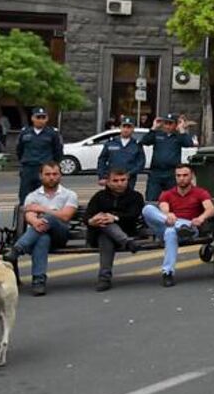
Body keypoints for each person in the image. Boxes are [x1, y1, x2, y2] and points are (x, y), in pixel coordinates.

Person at [142, 163, 214, 287]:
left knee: (171, 232)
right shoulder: (168, 193)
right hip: (168, 223)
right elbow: (163, 207)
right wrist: (168, 215)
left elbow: (211, 209)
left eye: (185, 175)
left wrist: (201, 218)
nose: (182, 178)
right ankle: (179, 225)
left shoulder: (200, 192)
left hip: (190, 227)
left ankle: (167, 272)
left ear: (191, 176)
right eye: (178, 176)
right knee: (147, 209)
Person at [11, 161, 78, 296]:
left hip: (60, 235)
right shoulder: (33, 196)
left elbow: (65, 216)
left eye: (55, 174)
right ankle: (38, 281)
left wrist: (42, 209)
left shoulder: (69, 194)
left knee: (51, 218)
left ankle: (18, 248)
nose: (52, 177)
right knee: (42, 238)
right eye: (47, 174)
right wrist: (35, 222)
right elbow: (29, 215)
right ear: (41, 176)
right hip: (39, 234)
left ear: (60, 176)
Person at [83, 168, 147, 292]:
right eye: (115, 180)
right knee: (104, 225)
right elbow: (87, 216)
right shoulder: (99, 196)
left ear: (127, 180)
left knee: (106, 233)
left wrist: (114, 218)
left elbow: (133, 215)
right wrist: (92, 220)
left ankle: (104, 278)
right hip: (97, 234)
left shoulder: (135, 196)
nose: (119, 183)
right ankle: (127, 243)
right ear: (108, 182)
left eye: (123, 180)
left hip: (126, 230)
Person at [13, 107, 65, 205]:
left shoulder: (52, 133)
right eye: (38, 117)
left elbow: (58, 151)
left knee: (46, 194)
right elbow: (19, 150)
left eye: (43, 117)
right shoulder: (25, 132)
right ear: (32, 118)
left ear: (47, 119)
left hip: (45, 168)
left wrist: (52, 166)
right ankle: (25, 218)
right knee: (25, 195)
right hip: (28, 168)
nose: (41, 120)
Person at [141, 113, 193, 201]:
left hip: (171, 173)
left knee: (173, 199)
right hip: (156, 172)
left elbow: (188, 143)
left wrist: (181, 128)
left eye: (170, 124)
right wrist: (154, 128)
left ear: (175, 124)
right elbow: (145, 141)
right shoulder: (157, 134)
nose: (167, 126)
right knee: (151, 199)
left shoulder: (178, 136)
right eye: (166, 123)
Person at [96, 117, 147, 190]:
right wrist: (102, 176)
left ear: (133, 129)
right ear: (120, 127)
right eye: (124, 126)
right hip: (112, 178)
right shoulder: (111, 142)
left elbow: (141, 162)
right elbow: (102, 160)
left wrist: (130, 173)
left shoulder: (136, 144)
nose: (126, 129)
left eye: (129, 127)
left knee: (127, 199)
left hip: (129, 179)